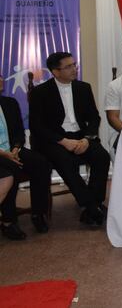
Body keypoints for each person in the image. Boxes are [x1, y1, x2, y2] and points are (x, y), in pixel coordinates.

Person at [29, 52, 110, 228]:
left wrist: (87, 139)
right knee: (65, 161)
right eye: (69, 66)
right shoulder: (40, 92)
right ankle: (91, 206)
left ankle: (94, 203)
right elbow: (37, 126)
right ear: (55, 72)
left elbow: (94, 118)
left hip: (81, 136)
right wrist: (63, 141)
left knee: (102, 157)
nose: (74, 69)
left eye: (74, 65)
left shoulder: (83, 88)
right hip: (54, 140)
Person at [1, 75, 53, 240]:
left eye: (0, 77)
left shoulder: (10, 103)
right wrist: (6, 154)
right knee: (12, 169)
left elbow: (18, 133)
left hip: (12, 150)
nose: (1, 80)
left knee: (41, 163)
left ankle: (38, 213)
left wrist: (15, 148)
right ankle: (8, 221)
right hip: (1, 154)